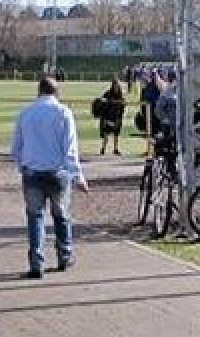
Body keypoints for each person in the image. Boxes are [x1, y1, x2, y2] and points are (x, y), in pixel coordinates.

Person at [10, 77, 88, 279]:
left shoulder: (26, 113)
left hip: (33, 172)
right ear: (56, 92)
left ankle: (36, 262)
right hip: (57, 173)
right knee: (61, 215)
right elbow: (70, 149)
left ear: (38, 91)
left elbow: (16, 148)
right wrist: (78, 175)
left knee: (35, 217)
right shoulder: (63, 113)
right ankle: (64, 255)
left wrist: (22, 166)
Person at [98, 78, 126, 156]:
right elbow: (102, 101)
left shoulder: (120, 94)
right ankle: (103, 149)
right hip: (108, 117)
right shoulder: (108, 93)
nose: (116, 87)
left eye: (117, 85)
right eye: (115, 85)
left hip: (117, 117)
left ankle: (115, 149)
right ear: (113, 85)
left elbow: (123, 104)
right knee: (106, 133)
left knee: (116, 134)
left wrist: (122, 104)